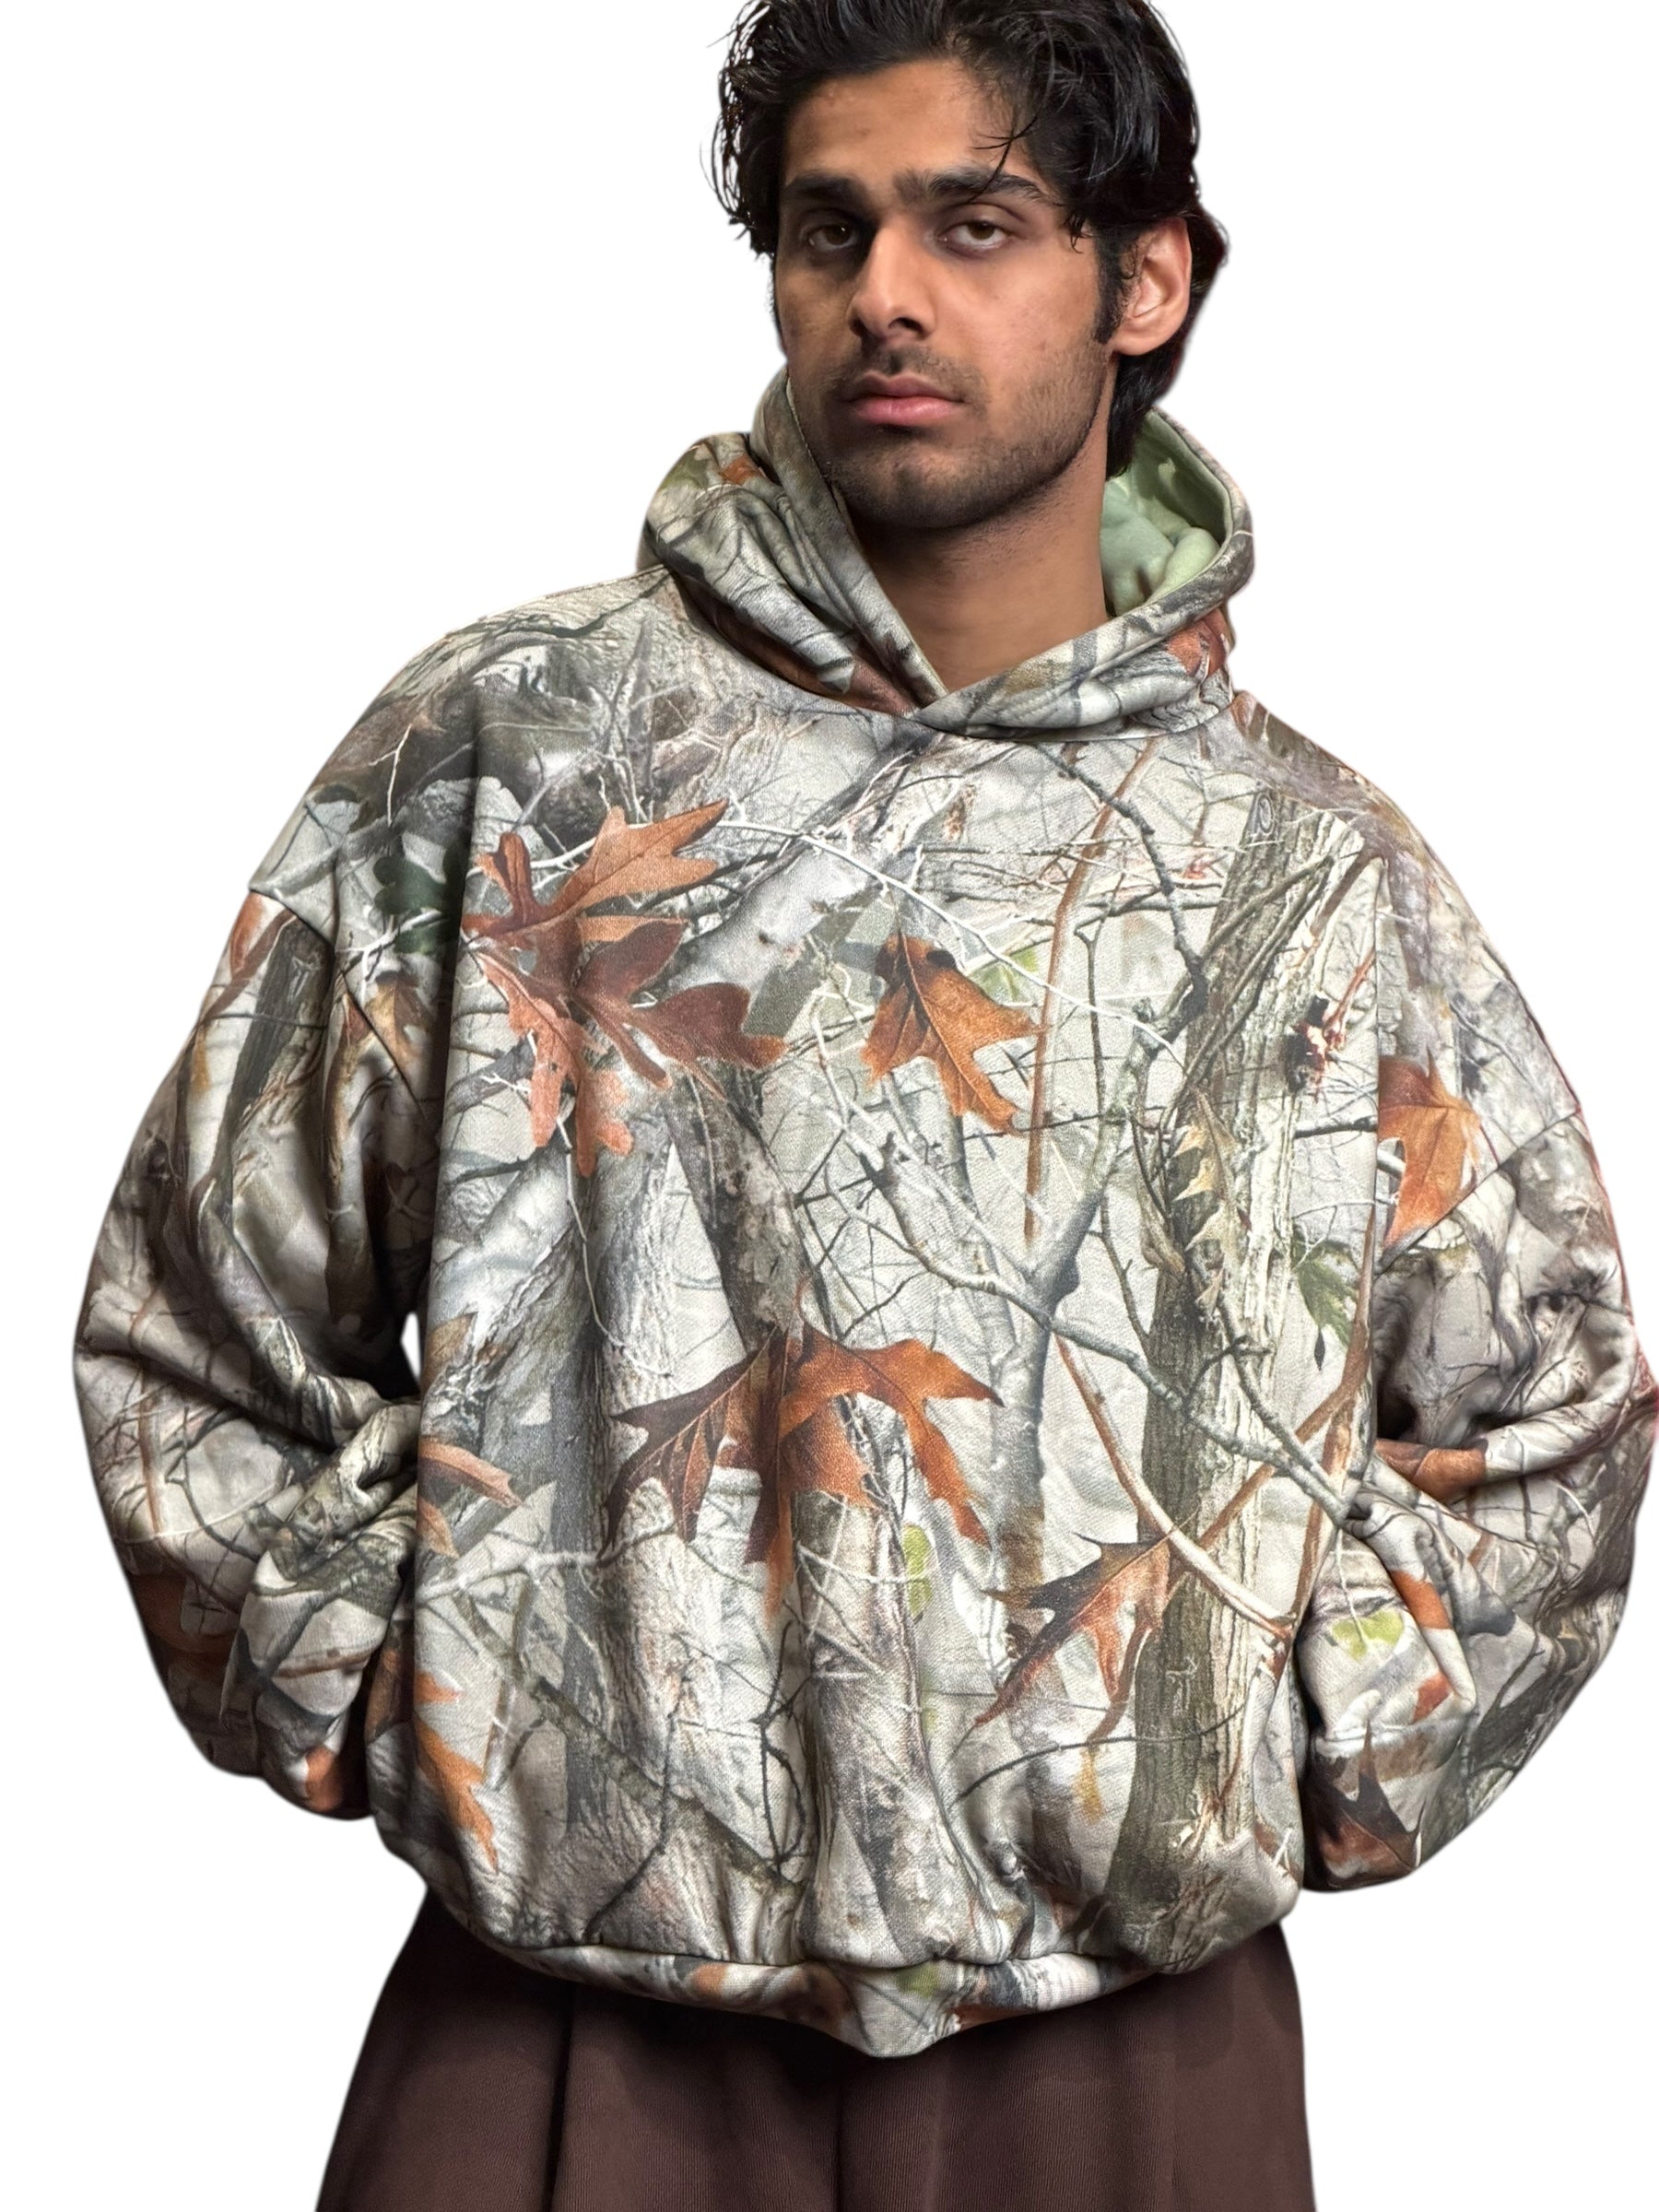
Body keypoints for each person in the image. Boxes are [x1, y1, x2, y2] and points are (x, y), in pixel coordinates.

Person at [72, 3, 1655, 2206]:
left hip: (1127, 2066)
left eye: (972, 225)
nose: (883, 294)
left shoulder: (1302, 872)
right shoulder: (523, 762)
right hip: (565, 2038)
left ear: (1147, 277)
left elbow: (1552, 1410)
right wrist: (420, 1680)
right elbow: (197, 1321)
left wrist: (1253, 1759)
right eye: (831, 232)